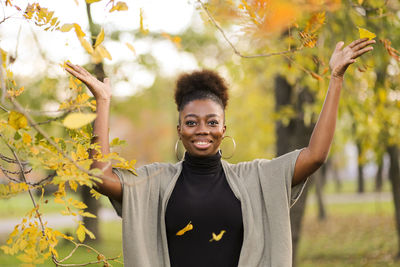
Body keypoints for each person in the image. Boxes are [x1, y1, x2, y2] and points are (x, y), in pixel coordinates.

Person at [65, 38, 375, 267]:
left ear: (223, 129)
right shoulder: (155, 182)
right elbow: (100, 178)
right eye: (191, 122)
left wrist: (335, 79)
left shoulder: (255, 177)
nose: (202, 130)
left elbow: (316, 155)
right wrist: (102, 102)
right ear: (179, 129)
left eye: (212, 122)